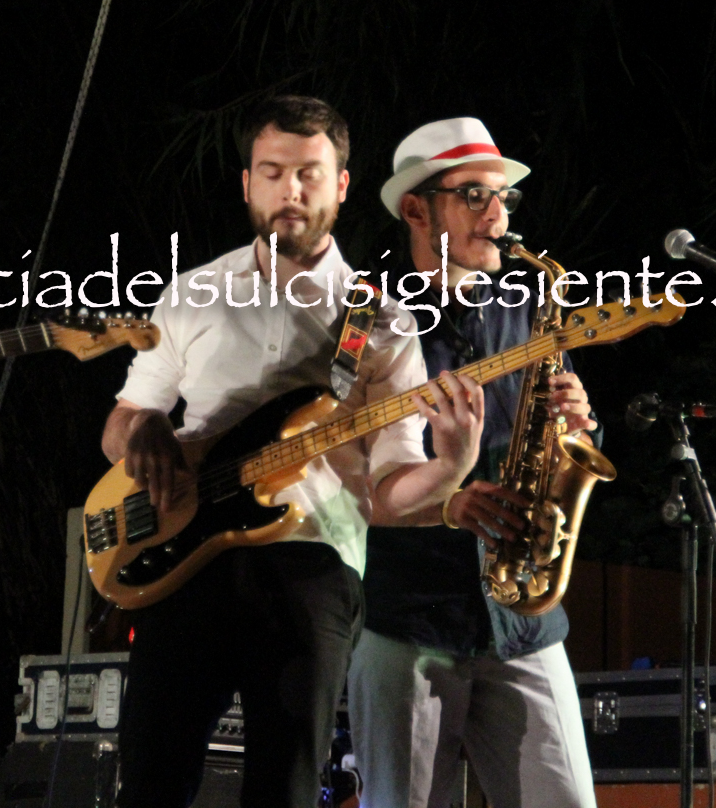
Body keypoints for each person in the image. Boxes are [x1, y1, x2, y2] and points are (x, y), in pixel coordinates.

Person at [101, 96, 487, 808]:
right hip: (184, 562)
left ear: (340, 185)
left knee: (285, 789)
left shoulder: (380, 322)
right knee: (150, 783)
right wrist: (141, 428)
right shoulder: (192, 293)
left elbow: (386, 495)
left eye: (309, 173)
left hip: (311, 568)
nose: (291, 191)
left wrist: (450, 466)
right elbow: (122, 423)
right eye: (273, 172)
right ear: (247, 182)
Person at [349, 117, 599, 808]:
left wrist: (579, 422)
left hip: (523, 620)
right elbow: (340, 468)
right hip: (409, 620)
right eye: (473, 195)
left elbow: (557, 443)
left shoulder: (529, 310)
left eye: (503, 197)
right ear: (414, 210)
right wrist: (446, 500)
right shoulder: (362, 321)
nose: (498, 215)